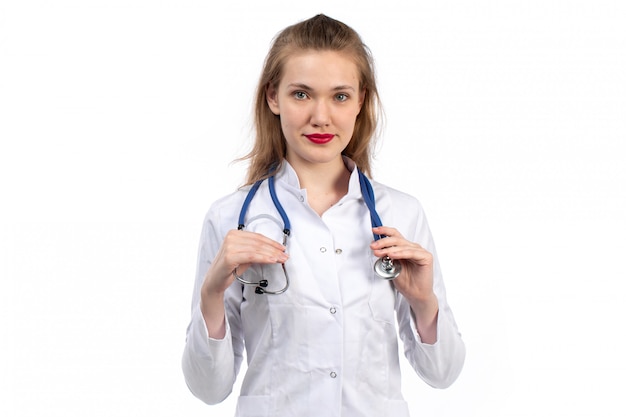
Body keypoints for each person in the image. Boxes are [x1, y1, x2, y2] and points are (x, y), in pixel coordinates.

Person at [182, 14, 465, 416]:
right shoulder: (231, 217)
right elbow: (208, 389)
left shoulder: (401, 213)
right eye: (301, 94)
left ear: (361, 101)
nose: (321, 116)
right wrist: (210, 295)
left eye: (340, 96)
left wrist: (423, 301)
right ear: (272, 97)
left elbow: (444, 373)